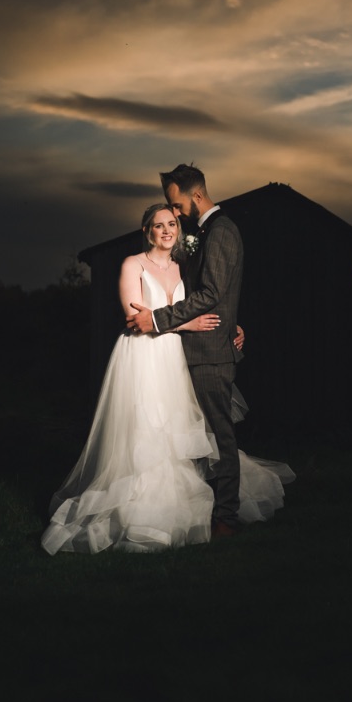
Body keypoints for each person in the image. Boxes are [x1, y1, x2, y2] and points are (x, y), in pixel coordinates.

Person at [42, 203, 292, 555]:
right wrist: (186, 324)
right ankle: (140, 512)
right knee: (146, 431)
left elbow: (206, 302)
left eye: (171, 223)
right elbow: (135, 318)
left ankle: (181, 506)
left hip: (175, 357)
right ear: (147, 231)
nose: (166, 230)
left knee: (176, 433)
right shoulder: (133, 264)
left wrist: (231, 326)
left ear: (178, 228)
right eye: (158, 225)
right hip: (143, 356)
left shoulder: (185, 267)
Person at [127, 164, 250, 538]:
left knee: (219, 437)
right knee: (195, 438)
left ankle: (226, 517)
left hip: (210, 353)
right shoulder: (206, 232)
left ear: (197, 196)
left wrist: (160, 320)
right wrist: (232, 323)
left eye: (177, 206)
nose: (176, 215)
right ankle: (197, 507)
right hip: (195, 350)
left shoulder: (222, 232)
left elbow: (212, 294)